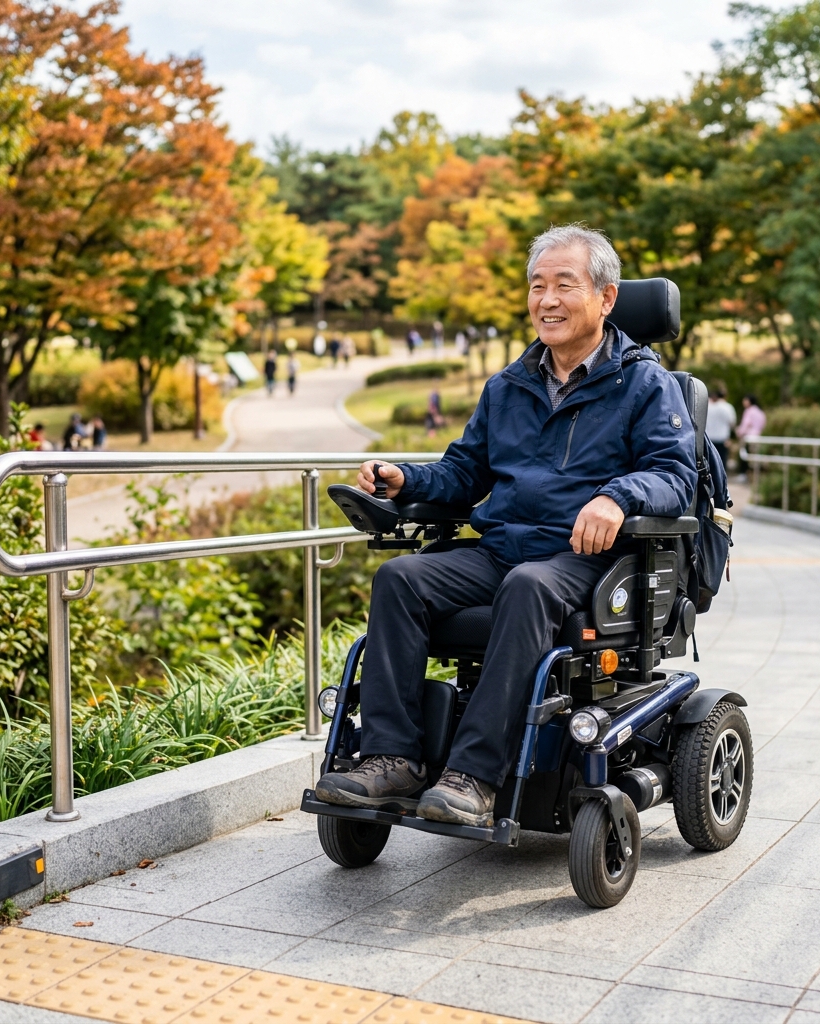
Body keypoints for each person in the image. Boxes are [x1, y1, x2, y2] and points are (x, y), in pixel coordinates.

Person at [315, 224, 697, 828]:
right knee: (401, 578)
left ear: (606, 297)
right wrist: (407, 480)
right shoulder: (509, 386)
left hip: (585, 559)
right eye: (537, 285)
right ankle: (391, 759)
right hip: (503, 550)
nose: (546, 299)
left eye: (564, 285)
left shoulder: (646, 385)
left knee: (529, 587)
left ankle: (477, 776)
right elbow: (465, 472)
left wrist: (617, 498)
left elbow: (675, 473)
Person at [705, 383, 737, 468]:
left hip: (709, 438)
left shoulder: (707, 406)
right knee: (721, 462)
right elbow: (732, 423)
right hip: (722, 439)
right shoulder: (728, 407)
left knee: (709, 463)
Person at [735, 394, 767, 480]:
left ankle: (743, 474)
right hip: (758, 437)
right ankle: (756, 476)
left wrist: (739, 432)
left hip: (748, 437)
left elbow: (746, 424)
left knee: (744, 456)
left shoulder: (749, 411)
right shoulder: (760, 412)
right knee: (754, 458)